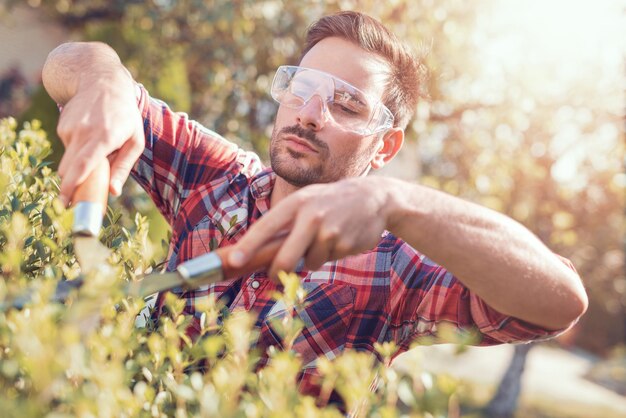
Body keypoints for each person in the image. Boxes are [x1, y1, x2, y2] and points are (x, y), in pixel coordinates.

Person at [43, 11, 587, 404]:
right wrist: (103, 80)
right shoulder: (217, 175)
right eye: (302, 88)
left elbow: (559, 302)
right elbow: (72, 61)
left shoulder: (394, 265)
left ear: (385, 147)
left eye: (348, 105)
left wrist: (395, 200)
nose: (310, 114)